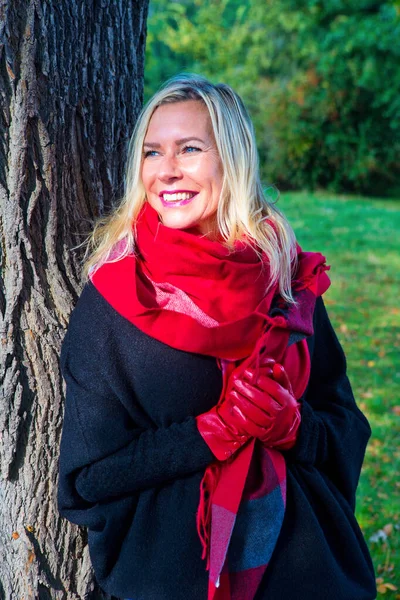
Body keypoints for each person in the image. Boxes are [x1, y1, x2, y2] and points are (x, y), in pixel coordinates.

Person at [57, 73, 377, 600]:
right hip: (177, 576)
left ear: (231, 159)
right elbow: (86, 479)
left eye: (189, 148)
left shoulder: (283, 281)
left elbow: (344, 424)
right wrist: (209, 434)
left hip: (308, 570)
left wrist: (294, 427)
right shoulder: (117, 301)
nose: (167, 171)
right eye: (152, 153)